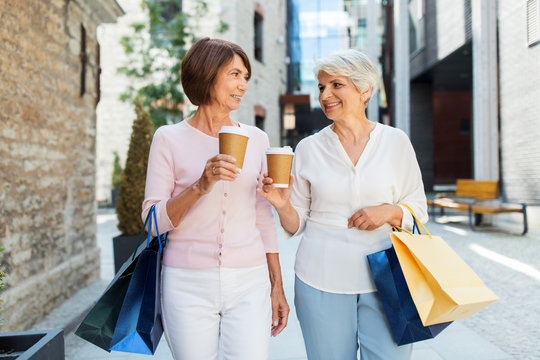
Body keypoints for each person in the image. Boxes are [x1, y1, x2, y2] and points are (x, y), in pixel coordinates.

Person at [258, 49, 428, 360]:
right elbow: (296, 224)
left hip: (389, 280)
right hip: (320, 279)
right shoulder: (308, 148)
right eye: (321, 86)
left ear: (365, 90)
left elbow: (418, 208)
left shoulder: (396, 141)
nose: (325, 94)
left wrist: (389, 211)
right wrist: (282, 205)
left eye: (336, 84)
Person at [142, 37, 289, 360]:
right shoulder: (168, 139)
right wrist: (200, 184)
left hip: (250, 280)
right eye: (235, 74)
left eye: (245, 77)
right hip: (186, 282)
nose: (243, 85)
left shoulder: (257, 138)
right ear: (208, 74)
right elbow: (151, 222)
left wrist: (276, 285)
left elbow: (264, 219)